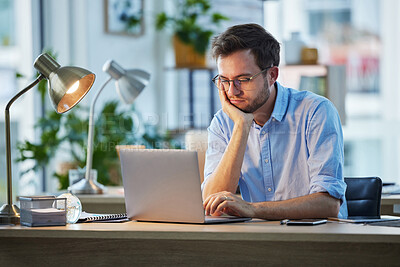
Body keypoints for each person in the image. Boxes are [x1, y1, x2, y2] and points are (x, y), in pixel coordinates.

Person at [202, 23, 347, 219]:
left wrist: (254, 209)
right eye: (224, 80)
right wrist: (242, 126)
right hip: (261, 239)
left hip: (317, 240)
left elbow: (328, 204)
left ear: (272, 75)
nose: (231, 91)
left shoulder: (316, 112)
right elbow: (211, 204)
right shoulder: (224, 122)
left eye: (243, 79)